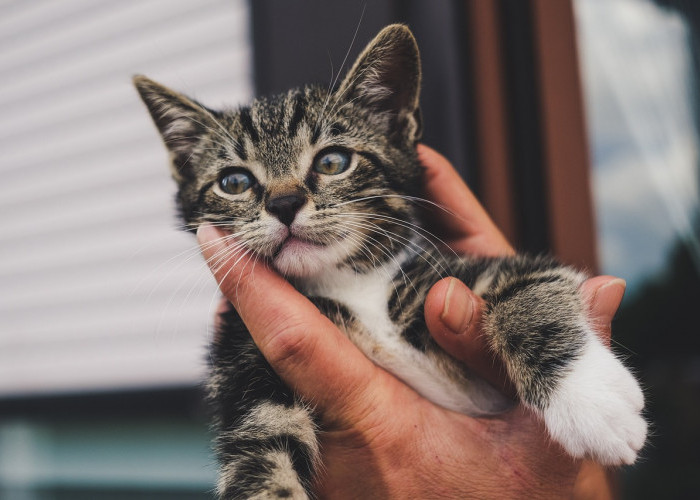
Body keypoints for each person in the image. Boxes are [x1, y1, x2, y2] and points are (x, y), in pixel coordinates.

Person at [197, 144, 623, 498]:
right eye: (236, 182)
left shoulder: (426, 282)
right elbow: (257, 462)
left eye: (330, 162)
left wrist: (557, 364)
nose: (285, 200)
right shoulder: (252, 339)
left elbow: (533, 283)